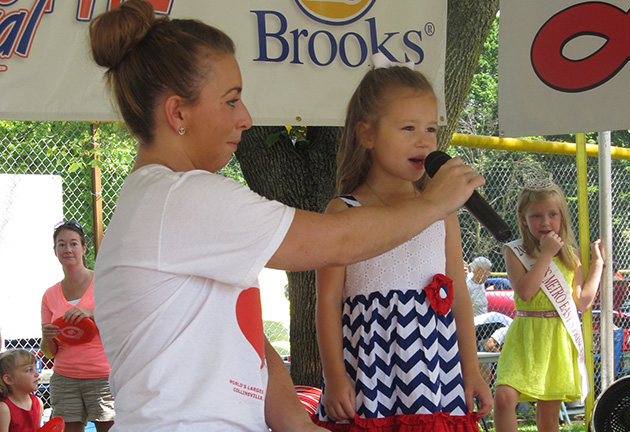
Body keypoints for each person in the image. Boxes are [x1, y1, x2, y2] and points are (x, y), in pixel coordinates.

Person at [87, 1, 484, 431]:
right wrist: (431, 204)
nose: (246, 119)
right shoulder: (180, 198)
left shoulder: (169, 199)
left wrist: (298, 423)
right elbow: (336, 241)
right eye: (231, 101)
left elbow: (248, 340)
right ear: (178, 112)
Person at [312, 58, 492, 431]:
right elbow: (328, 300)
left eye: (430, 128)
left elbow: (457, 295)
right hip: (369, 377)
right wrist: (334, 376)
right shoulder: (344, 210)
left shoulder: (443, 213)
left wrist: (470, 369)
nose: (424, 140)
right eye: (408, 127)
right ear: (367, 134)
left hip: (434, 377)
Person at [494, 181, 604, 432]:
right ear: (523, 219)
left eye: (552, 214)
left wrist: (597, 265)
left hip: (557, 338)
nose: (545, 222)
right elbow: (525, 291)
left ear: (562, 217)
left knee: (548, 415)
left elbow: (583, 302)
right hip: (524, 335)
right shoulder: (514, 251)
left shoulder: (570, 255)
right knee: (504, 398)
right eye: (537, 216)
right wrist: (545, 255)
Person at [40, 221, 115, 432]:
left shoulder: (102, 283)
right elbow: (49, 352)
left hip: (101, 375)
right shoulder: (49, 295)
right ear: (55, 250)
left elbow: (120, 320)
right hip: (65, 377)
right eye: (61, 244)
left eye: (73, 243)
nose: (67, 249)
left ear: (83, 248)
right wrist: (47, 337)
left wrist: (90, 313)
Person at [0, 349, 44, 432]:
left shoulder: (38, 403)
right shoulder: (4, 408)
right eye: (29, 370)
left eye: (35, 368)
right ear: (9, 379)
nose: (37, 374)